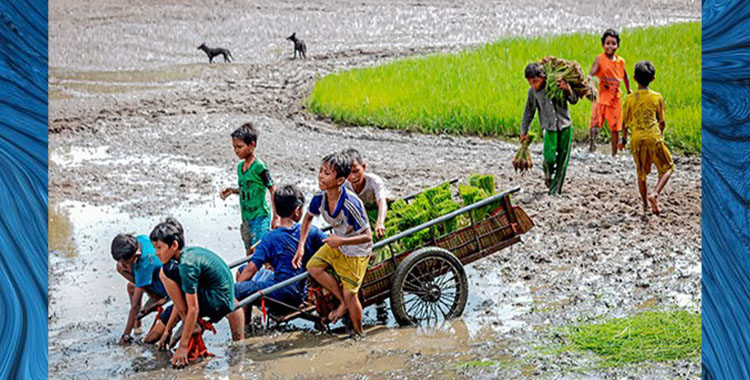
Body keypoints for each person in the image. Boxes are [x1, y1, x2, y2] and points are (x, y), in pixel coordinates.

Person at [292, 152, 373, 338]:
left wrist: (341, 241)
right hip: (337, 243)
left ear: (340, 180)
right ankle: (341, 301)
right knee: (313, 267)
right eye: (320, 171)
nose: (320, 176)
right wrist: (301, 245)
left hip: (355, 250)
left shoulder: (351, 204)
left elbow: (367, 237)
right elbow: (307, 219)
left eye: (327, 173)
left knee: (351, 295)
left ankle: (359, 333)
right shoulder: (320, 197)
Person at [149, 218, 245, 368]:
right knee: (165, 272)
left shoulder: (186, 265)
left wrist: (182, 346)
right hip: (214, 293)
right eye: (154, 248)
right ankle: (188, 326)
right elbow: (180, 299)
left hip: (219, 300)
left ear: (174, 245)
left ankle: (193, 327)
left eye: (159, 247)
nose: (156, 253)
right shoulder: (184, 256)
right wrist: (168, 330)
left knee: (164, 273)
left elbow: (193, 309)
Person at [235, 184, 327, 309]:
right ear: (297, 211)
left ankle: (243, 323)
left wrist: (239, 290)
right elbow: (328, 245)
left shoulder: (270, 237)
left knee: (235, 289)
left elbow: (252, 268)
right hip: (297, 291)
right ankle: (245, 320)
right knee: (242, 268)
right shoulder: (311, 231)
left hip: (282, 293)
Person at [621, 61, 674, 215]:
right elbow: (661, 121)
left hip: (636, 139)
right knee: (668, 167)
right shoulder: (657, 97)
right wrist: (661, 134)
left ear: (634, 78)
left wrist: (623, 140)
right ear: (653, 79)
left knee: (641, 174)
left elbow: (625, 124)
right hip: (653, 137)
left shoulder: (630, 99)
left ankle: (644, 205)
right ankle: (655, 194)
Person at [220, 122, 280, 256]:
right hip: (246, 218)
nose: (236, 151)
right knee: (248, 253)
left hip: (260, 216)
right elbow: (246, 189)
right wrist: (232, 191)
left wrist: (276, 217)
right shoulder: (240, 167)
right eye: (234, 147)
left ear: (252, 145)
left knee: (258, 253)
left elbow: (273, 189)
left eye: (240, 147)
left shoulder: (260, 167)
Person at [520, 62, 579, 195]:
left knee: (563, 160)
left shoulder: (557, 85)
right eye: (530, 82)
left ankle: (555, 191)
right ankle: (547, 175)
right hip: (549, 128)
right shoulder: (533, 93)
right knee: (549, 158)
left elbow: (574, 100)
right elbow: (528, 112)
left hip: (565, 126)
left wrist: (567, 89)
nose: (533, 85)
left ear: (543, 77)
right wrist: (523, 132)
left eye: (535, 81)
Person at [110, 232, 168, 345]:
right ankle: (137, 325)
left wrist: (126, 335)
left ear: (136, 256)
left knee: (134, 289)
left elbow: (135, 306)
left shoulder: (145, 263)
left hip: (165, 285)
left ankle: (157, 297)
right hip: (155, 273)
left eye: (127, 262)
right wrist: (126, 265)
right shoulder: (140, 240)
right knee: (126, 278)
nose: (124, 265)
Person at [588, 28, 632, 155]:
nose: (610, 46)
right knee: (595, 124)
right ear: (603, 45)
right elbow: (592, 72)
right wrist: (588, 79)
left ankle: (614, 153)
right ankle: (592, 148)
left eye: (613, 43)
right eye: (607, 43)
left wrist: (629, 89)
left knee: (615, 127)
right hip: (601, 97)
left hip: (615, 99)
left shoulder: (621, 62)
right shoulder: (600, 59)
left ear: (617, 45)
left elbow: (625, 76)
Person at [342, 148, 390, 238]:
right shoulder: (344, 187)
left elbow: (382, 202)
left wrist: (380, 223)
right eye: (348, 173)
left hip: (380, 210)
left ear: (363, 167)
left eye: (356, 171)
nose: (353, 177)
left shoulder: (374, 181)